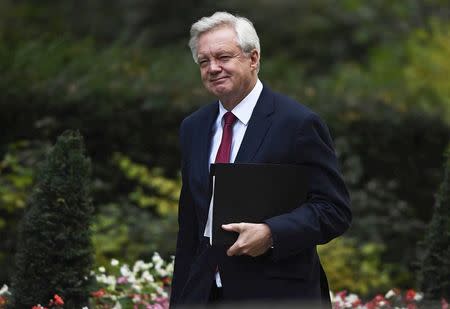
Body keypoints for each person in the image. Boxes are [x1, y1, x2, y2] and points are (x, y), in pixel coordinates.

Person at [170, 11, 352, 308]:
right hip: (205, 295)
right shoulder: (194, 127)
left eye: (223, 57)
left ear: (253, 59)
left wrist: (271, 233)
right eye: (204, 61)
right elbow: (190, 225)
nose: (213, 68)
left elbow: (334, 210)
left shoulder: (297, 123)